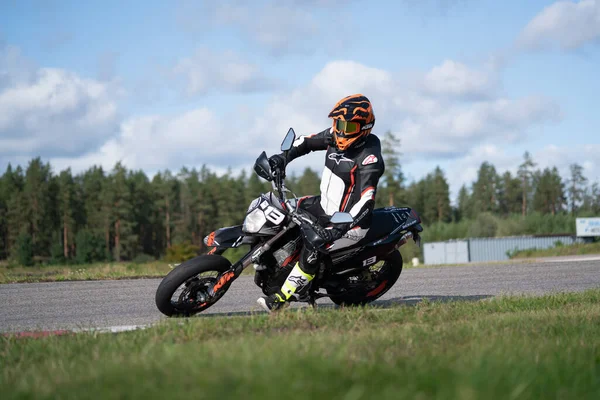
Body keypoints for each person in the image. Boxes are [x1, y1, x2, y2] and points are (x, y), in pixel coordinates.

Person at [257, 94, 385, 312]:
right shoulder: (335, 135)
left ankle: (282, 299)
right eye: (338, 124)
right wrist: (281, 158)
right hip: (325, 205)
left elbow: (366, 199)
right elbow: (306, 142)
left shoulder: (369, 158)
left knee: (314, 244)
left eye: (349, 126)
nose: (342, 131)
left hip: (348, 220)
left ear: (365, 127)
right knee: (284, 210)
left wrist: (341, 227)